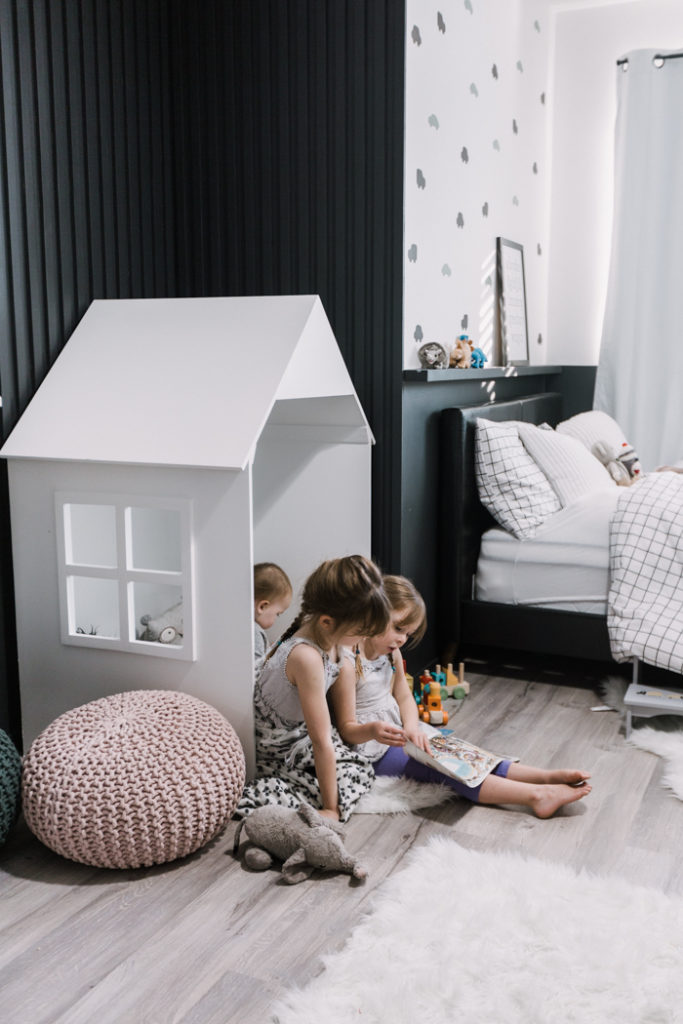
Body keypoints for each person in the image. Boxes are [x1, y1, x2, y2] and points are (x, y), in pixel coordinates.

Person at [330, 574, 592, 819]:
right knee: (451, 771)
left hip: (399, 735)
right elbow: (347, 729)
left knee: (464, 754)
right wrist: (374, 730)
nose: (401, 639)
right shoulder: (347, 662)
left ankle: (542, 777)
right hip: (370, 750)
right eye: (399, 628)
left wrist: (410, 726)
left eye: (407, 634)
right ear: (374, 613)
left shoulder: (392, 654)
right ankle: (535, 796)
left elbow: (404, 697)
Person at [236, 554, 391, 822]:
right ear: (327, 622)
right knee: (332, 788)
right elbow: (321, 741)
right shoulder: (305, 657)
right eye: (361, 630)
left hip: (300, 741)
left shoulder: (336, 645)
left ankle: (292, 818)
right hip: (276, 754)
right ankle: (281, 824)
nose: (365, 638)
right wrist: (331, 809)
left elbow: (339, 727)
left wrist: (372, 730)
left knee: (359, 771)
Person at [253, 562, 293, 666]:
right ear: (262, 607)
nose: (276, 618)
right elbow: (256, 670)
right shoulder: (255, 633)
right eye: (278, 614)